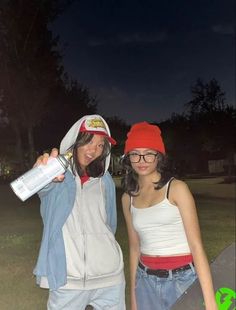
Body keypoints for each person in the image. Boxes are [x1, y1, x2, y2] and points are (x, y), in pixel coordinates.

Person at [121, 122, 217, 310]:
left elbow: (196, 247)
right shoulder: (127, 198)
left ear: (159, 156)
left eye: (149, 153)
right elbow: (134, 249)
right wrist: (134, 298)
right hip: (145, 282)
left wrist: (210, 302)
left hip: (182, 281)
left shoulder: (177, 189)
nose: (142, 159)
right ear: (128, 157)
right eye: (135, 153)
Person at [33, 114, 126, 310]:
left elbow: (110, 224)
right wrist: (41, 172)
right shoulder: (56, 176)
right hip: (68, 280)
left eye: (101, 145)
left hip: (110, 279)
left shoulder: (105, 181)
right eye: (89, 141)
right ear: (76, 141)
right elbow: (41, 186)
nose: (94, 149)